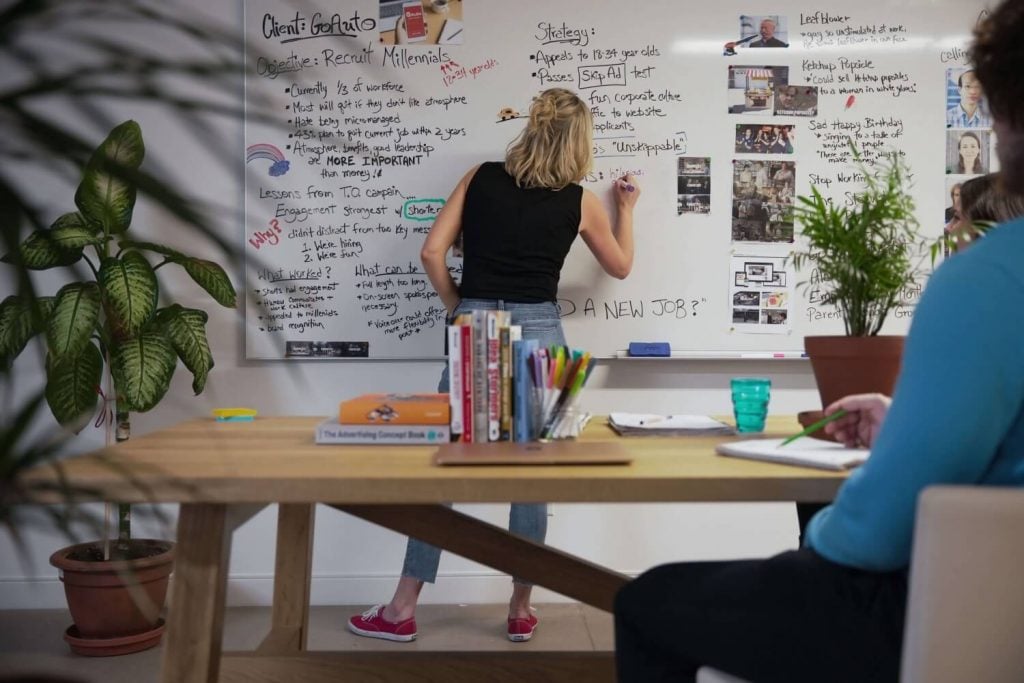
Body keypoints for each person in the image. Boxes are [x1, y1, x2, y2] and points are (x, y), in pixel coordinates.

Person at [615, 2, 1024, 680]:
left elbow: (874, 531)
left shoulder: (987, 278)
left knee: (646, 600)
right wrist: (906, 427)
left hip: (950, 617)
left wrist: (807, 551)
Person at [348, 87, 639, 644]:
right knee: (531, 474)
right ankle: (521, 608)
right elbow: (620, 266)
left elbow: (433, 253)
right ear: (579, 142)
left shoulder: (480, 176)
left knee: (447, 464)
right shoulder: (580, 201)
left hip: (476, 321)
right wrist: (625, 209)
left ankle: (402, 608)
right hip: (542, 331)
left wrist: (460, 306)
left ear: (531, 127)